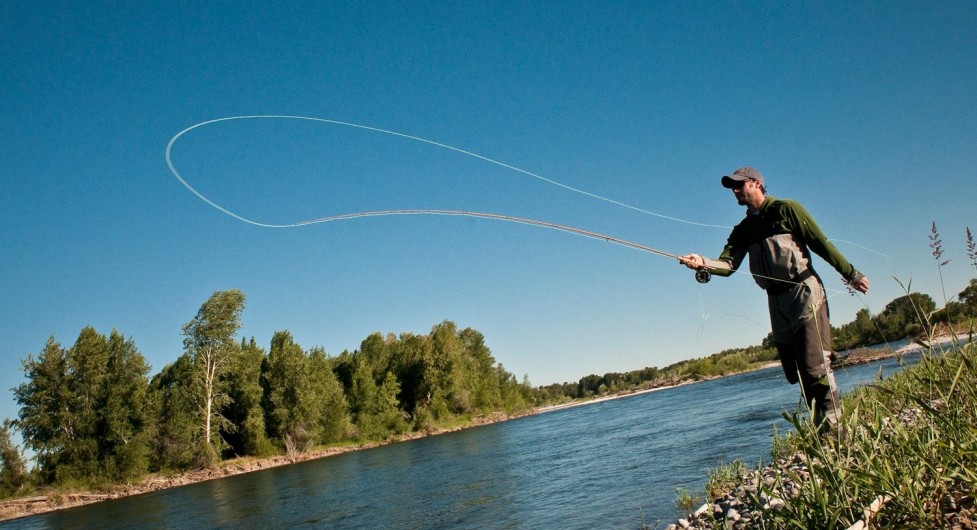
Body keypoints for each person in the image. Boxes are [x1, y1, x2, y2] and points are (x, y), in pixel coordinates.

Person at [679, 167, 870, 434]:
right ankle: (820, 429)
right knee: (795, 373)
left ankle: (836, 434)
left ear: (757, 183)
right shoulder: (743, 229)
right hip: (775, 301)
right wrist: (703, 263)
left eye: (739, 185)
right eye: (731, 187)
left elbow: (821, 244)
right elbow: (728, 265)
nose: (735, 190)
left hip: (804, 292)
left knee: (815, 366)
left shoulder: (788, 209)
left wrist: (852, 274)